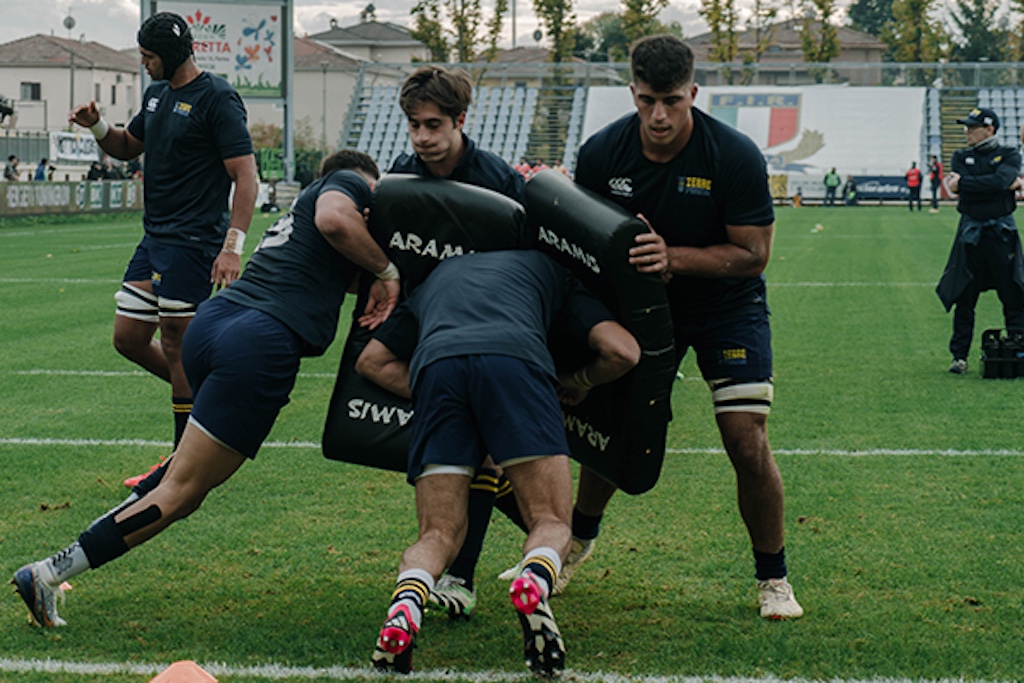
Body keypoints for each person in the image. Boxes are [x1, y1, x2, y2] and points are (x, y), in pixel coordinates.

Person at [11, 149, 401, 629]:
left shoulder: (300, 215)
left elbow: (333, 261)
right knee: (183, 493)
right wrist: (389, 271)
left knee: (178, 471)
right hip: (259, 342)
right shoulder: (347, 184)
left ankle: (55, 567)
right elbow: (337, 220)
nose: (371, 205)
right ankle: (49, 573)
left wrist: (378, 271)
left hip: (216, 322)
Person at [556, 34, 803, 619]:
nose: (658, 115)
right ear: (632, 93)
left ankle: (774, 578)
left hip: (726, 307)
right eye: (646, 101)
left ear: (693, 92)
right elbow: (585, 244)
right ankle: (575, 543)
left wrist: (674, 258)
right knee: (611, 428)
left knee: (746, 439)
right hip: (641, 310)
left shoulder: (734, 155)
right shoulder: (601, 153)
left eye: (670, 100)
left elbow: (753, 254)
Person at [355, 249, 640, 675]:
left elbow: (371, 362)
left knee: (438, 533)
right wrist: (576, 382)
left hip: (437, 370)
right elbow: (623, 351)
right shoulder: (552, 269)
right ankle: (535, 581)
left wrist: (447, 396)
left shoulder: (440, 272)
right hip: (516, 362)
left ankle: (408, 602)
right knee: (552, 521)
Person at [67, 12, 259, 487]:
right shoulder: (155, 96)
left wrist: (232, 247)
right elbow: (129, 146)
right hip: (154, 239)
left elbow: (246, 177)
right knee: (129, 338)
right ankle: (206, 399)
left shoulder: (217, 98)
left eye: (148, 56)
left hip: (194, 243)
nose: (143, 63)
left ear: (171, 55)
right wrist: (97, 127)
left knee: (176, 344)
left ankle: (181, 461)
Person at [386, 64, 529, 619]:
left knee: (481, 447)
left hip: (488, 327)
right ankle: (545, 529)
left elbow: (531, 256)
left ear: (460, 121)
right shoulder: (403, 174)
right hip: (425, 324)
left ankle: (461, 578)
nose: (422, 138)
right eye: (414, 125)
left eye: (433, 125)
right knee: (451, 456)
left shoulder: (497, 180)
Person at [937, 107, 1024, 375]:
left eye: (972, 128)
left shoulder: (1010, 154)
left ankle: (1018, 350)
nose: (967, 132)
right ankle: (959, 357)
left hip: (1001, 235)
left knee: (1013, 295)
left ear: (990, 129)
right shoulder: (961, 156)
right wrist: (1000, 185)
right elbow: (999, 183)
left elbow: (992, 182)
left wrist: (966, 185)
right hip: (971, 235)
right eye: (966, 127)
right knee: (965, 296)